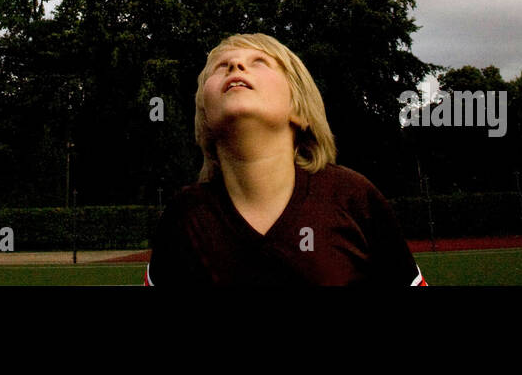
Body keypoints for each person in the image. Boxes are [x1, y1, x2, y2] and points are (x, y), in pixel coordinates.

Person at [145, 32, 426, 285]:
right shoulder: (183, 215)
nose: (235, 66)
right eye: (221, 67)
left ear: (299, 110)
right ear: (205, 118)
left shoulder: (353, 198)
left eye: (259, 62)